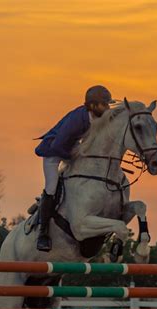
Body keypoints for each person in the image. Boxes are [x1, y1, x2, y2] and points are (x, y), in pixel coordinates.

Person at [34, 85, 115, 252]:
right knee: (51, 188)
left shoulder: (97, 117)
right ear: (93, 106)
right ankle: (43, 233)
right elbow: (58, 145)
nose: (107, 107)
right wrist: (74, 157)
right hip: (53, 152)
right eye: (104, 104)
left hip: (69, 149)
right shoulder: (77, 119)